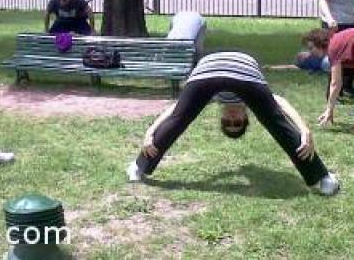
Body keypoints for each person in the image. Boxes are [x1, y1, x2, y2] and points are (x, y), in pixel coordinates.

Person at [126, 51, 339, 196]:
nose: (233, 118)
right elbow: (279, 105)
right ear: (246, 117)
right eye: (237, 122)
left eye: (229, 122)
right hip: (239, 69)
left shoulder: (213, 97)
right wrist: (304, 130)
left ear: (222, 117)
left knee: (181, 119)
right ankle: (323, 177)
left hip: (209, 68)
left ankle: (138, 166)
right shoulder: (248, 100)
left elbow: (176, 112)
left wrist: (151, 131)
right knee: (274, 120)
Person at [319, 0, 354, 93]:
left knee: (351, 56)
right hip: (335, 25)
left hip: (351, 24)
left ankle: (346, 88)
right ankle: (333, 90)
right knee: (336, 59)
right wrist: (330, 18)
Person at [303, 28, 354, 127]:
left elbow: (335, 83)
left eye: (311, 48)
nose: (310, 53)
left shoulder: (333, 47)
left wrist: (329, 110)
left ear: (320, 44)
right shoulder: (336, 42)